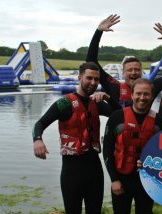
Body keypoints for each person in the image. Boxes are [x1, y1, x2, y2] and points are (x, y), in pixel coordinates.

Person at [33, 62, 117, 214]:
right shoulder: (64, 103)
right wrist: (38, 140)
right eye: (89, 78)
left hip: (94, 170)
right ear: (80, 78)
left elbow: (120, 115)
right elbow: (40, 123)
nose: (93, 82)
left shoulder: (96, 104)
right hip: (72, 171)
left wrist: (108, 98)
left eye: (96, 79)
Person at [86, 15, 162, 108]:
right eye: (130, 70)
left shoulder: (151, 87)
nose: (133, 72)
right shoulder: (114, 87)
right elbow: (91, 62)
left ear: (141, 72)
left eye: (137, 69)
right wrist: (98, 32)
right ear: (123, 73)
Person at [103, 78, 162, 214]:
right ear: (132, 95)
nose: (142, 98)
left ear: (152, 96)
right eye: (138, 93)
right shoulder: (116, 117)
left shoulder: (159, 121)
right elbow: (107, 150)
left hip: (148, 181)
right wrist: (114, 179)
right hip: (121, 180)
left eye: (146, 94)